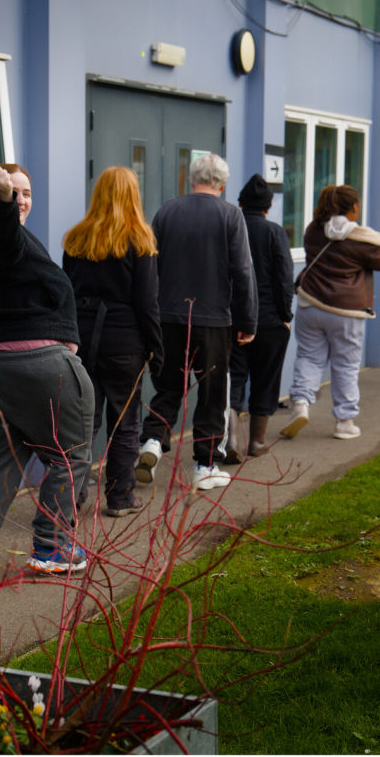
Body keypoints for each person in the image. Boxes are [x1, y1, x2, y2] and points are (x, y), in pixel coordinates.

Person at [0, 159, 94, 578]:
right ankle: (52, 547)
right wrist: (4, 200)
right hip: (33, 366)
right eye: (15, 192)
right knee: (71, 454)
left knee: (4, 452)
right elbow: (3, 237)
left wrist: (6, 200)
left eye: (27, 192)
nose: (22, 200)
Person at [135, 153, 257, 490]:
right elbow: (243, 272)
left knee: (169, 387)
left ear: (191, 179)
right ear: (222, 182)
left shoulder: (166, 212)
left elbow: (150, 266)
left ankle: (152, 441)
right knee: (212, 393)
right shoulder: (231, 215)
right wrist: (248, 321)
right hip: (214, 321)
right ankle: (205, 466)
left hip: (168, 317)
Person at [62, 167, 163, 516]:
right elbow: (148, 303)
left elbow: (66, 294)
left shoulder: (76, 238)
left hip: (82, 339)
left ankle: (70, 499)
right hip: (125, 344)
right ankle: (120, 498)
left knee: (82, 423)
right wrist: (156, 350)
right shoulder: (140, 240)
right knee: (125, 422)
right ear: (132, 195)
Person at [280, 185, 380, 440]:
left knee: (309, 358)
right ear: (354, 207)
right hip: (346, 312)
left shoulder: (313, 230)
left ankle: (300, 404)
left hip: (310, 305)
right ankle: (344, 422)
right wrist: (371, 234)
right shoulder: (362, 240)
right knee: (345, 365)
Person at [225, 174, 294, 459]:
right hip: (268, 322)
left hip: (233, 320)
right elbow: (284, 278)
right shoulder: (275, 232)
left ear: (240, 204)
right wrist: (285, 314)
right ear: (269, 205)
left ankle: (230, 439)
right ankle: (257, 442)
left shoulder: (229, 229)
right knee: (266, 380)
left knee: (235, 378)